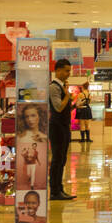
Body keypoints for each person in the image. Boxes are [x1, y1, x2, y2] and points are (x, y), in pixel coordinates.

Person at [48, 59, 76, 200]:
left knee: (62, 159)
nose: (68, 73)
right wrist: (68, 96)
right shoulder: (54, 87)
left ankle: (59, 188)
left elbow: (65, 108)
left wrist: (74, 105)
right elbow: (58, 107)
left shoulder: (62, 87)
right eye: (66, 70)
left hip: (63, 127)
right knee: (57, 159)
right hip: (56, 127)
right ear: (57, 70)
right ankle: (54, 191)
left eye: (69, 70)